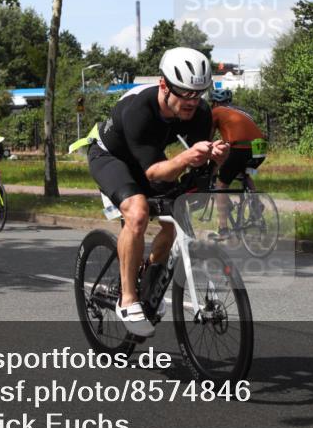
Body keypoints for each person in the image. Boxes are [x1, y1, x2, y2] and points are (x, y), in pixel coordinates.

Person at [82, 47, 229, 337]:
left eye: (199, 93)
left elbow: (197, 169)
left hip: (149, 159)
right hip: (110, 156)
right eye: (185, 93)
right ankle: (127, 299)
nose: (192, 101)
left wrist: (215, 160)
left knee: (175, 218)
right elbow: (152, 173)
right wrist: (185, 158)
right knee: (137, 213)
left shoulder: (200, 112)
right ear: (164, 85)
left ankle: (148, 278)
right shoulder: (140, 109)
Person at [209, 88, 268, 237]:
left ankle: (223, 229)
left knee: (221, 186)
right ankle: (256, 203)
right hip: (260, 149)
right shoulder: (241, 111)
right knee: (244, 173)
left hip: (241, 148)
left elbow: (208, 138)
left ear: (214, 102)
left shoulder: (216, 111)